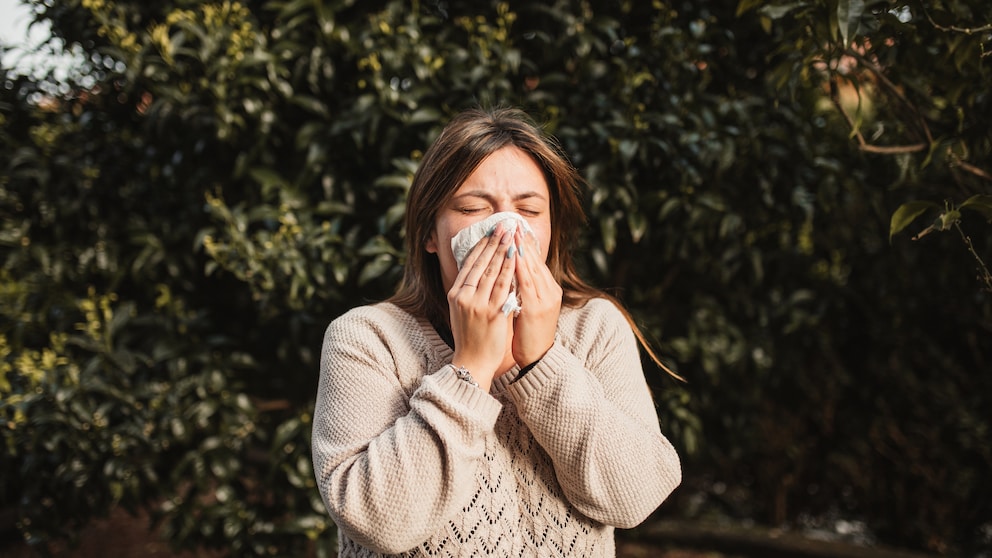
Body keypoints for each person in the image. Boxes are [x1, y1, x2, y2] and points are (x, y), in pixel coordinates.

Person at [311, 106, 682, 557]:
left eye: (528, 210)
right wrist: (472, 367)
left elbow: (636, 498)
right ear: (430, 232)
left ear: (550, 229)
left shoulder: (595, 328)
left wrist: (542, 362)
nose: (507, 230)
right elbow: (378, 521)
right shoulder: (367, 339)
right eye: (471, 208)